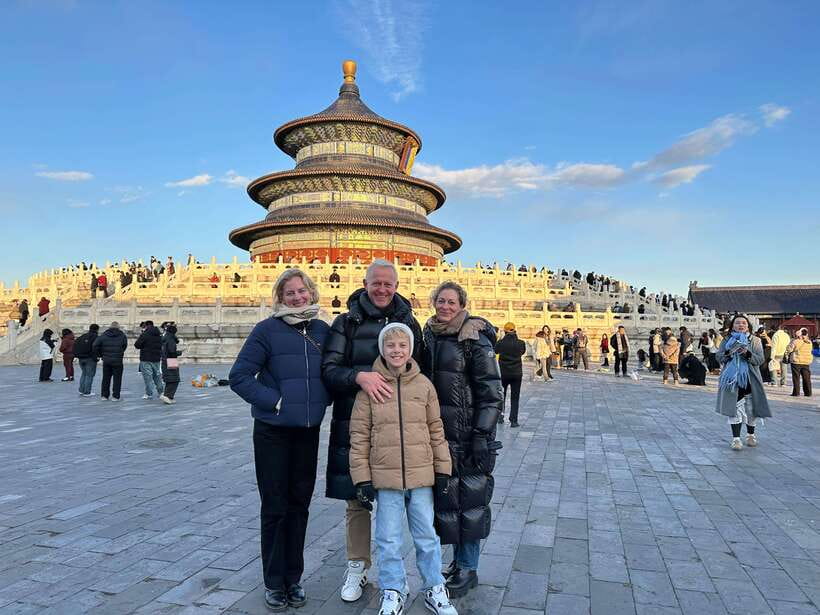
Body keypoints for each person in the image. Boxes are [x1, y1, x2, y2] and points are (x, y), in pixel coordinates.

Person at [321, 259, 422, 603]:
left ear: (396, 286)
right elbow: (330, 371)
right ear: (365, 283)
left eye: (388, 284)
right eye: (375, 283)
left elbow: (422, 373)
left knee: (401, 501)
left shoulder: (409, 322)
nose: (381, 290)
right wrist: (358, 376)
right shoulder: (345, 323)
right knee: (357, 500)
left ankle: (397, 573)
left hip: (399, 427)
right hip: (356, 423)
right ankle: (357, 566)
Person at [230, 269, 330, 612]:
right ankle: (274, 582)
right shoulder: (267, 330)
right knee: (275, 507)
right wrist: (275, 401)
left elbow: (332, 372)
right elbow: (239, 376)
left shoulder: (321, 330)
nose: (298, 297)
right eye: (291, 293)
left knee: (299, 506)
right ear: (280, 297)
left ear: (311, 293)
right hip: (273, 432)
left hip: (307, 432)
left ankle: (294, 578)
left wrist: (321, 400)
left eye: (302, 291)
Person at [349, 323, 457, 615]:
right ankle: (393, 589)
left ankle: (434, 587)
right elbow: (358, 437)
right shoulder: (369, 388)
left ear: (410, 349)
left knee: (426, 537)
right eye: (390, 346)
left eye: (402, 346)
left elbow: (436, 429)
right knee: (388, 539)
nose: (396, 351)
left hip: (421, 477)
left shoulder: (424, 385)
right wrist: (362, 478)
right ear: (382, 349)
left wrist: (443, 469)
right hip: (385, 480)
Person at [421, 281, 502, 598]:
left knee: (470, 501)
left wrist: (482, 433)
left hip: (469, 436)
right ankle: (459, 564)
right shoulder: (430, 336)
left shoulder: (474, 338)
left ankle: (468, 568)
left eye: (452, 302)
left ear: (462, 304)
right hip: (441, 435)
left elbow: (492, 392)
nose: (445, 306)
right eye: (440, 300)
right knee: (451, 502)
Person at [716, 314, 772, 449]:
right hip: (732, 379)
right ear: (732, 326)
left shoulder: (755, 340)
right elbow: (719, 356)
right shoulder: (727, 340)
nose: (740, 325)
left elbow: (760, 359)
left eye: (743, 323)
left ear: (748, 326)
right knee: (734, 408)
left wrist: (746, 353)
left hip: (750, 377)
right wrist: (729, 353)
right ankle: (736, 439)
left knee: (751, 407)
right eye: (737, 323)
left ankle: (750, 435)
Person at [495, 322, 526, 427]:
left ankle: (500, 416)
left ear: (505, 331)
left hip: (503, 372)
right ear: (515, 330)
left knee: (501, 396)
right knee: (515, 397)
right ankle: (514, 420)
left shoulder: (500, 343)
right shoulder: (521, 343)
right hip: (516, 373)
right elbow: (522, 352)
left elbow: (495, 351)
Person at [93, 322, 128, 400]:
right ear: (118, 327)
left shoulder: (104, 335)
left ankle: (104, 396)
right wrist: (120, 352)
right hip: (118, 360)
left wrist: (100, 354)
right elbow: (124, 345)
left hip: (106, 360)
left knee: (106, 378)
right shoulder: (122, 335)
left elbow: (95, 345)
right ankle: (115, 396)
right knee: (117, 379)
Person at [134, 320, 164, 400]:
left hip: (146, 358)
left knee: (148, 377)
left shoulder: (145, 334)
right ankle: (161, 392)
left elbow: (137, 345)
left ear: (146, 326)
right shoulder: (159, 335)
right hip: (156, 358)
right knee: (157, 376)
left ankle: (149, 393)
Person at [74, 324, 100, 396]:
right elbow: (97, 347)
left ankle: (81, 390)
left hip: (81, 358)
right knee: (89, 375)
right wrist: (98, 356)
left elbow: (75, 344)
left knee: (84, 373)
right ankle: (87, 392)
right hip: (90, 359)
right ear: (97, 329)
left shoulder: (82, 336)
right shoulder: (96, 337)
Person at [786, 328, 813, 397]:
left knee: (796, 377)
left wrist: (793, 340)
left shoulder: (795, 341)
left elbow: (789, 349)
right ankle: (808, 392)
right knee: (806, 378)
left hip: (796, 361)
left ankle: (796, 392)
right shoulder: (809, 342)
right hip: (806, 362)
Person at [160, 324, 182, 404]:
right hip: (171, 360)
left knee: (169, 379)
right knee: (174, 379)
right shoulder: (171, 340)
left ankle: (168, 396)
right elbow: (172, 352)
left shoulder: (164, 338)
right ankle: (168, 395)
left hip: (165, 360)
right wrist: (178, 353)